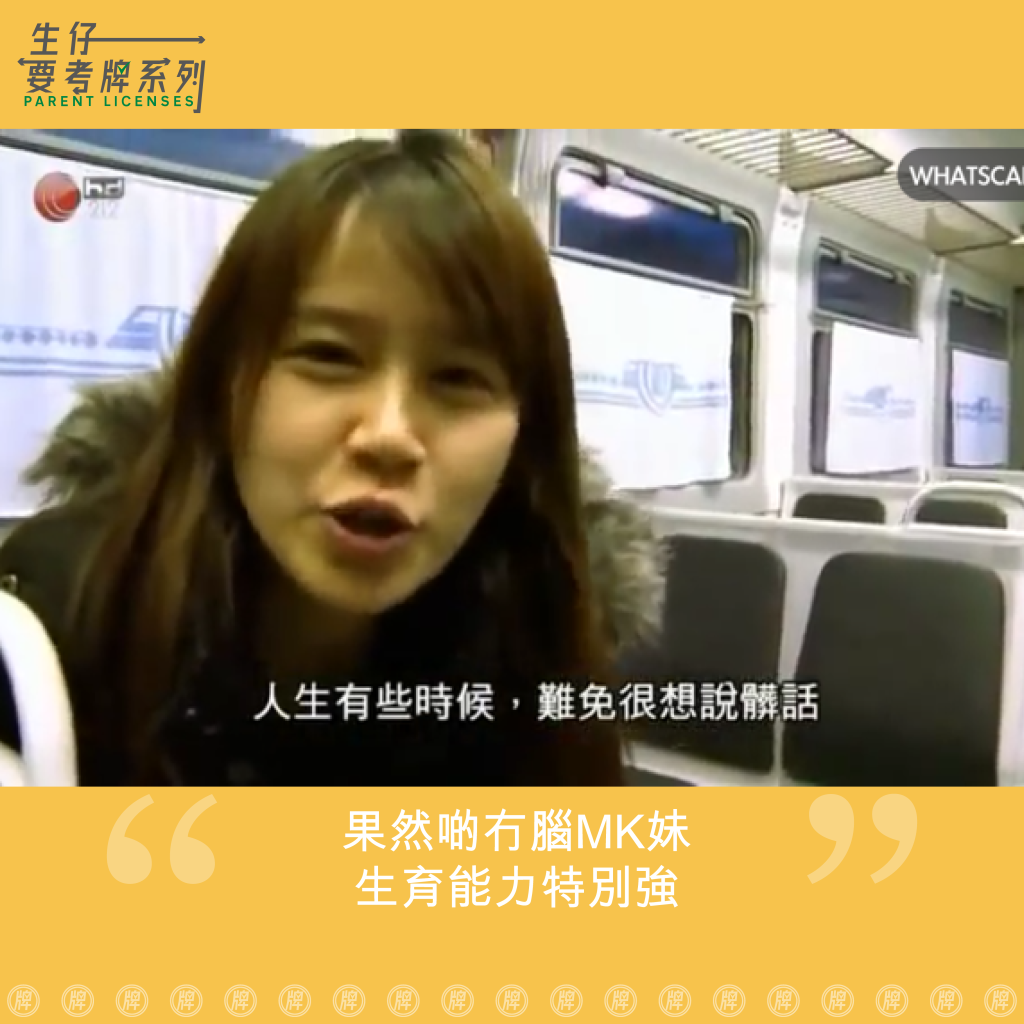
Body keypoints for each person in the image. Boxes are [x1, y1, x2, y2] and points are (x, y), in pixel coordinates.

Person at [0, 130, 665, 787]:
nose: (388, 436)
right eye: (329, 355)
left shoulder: (541, 659)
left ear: (525, 436)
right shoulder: (48, 638)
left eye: (459, 378)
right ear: (222, 382)